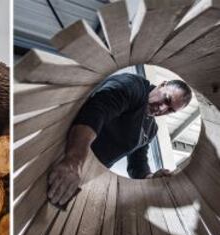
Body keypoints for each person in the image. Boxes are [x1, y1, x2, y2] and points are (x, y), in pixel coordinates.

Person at [47, 73, 192, 206]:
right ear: (162, 85)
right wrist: (74, 160)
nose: (162, 109)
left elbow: (138, 165)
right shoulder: (134, 86)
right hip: (63, 155)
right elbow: (97, 110)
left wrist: (151, 177)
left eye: (170, 110)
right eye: (166, 99)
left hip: (84, 176)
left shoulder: (151, 130)